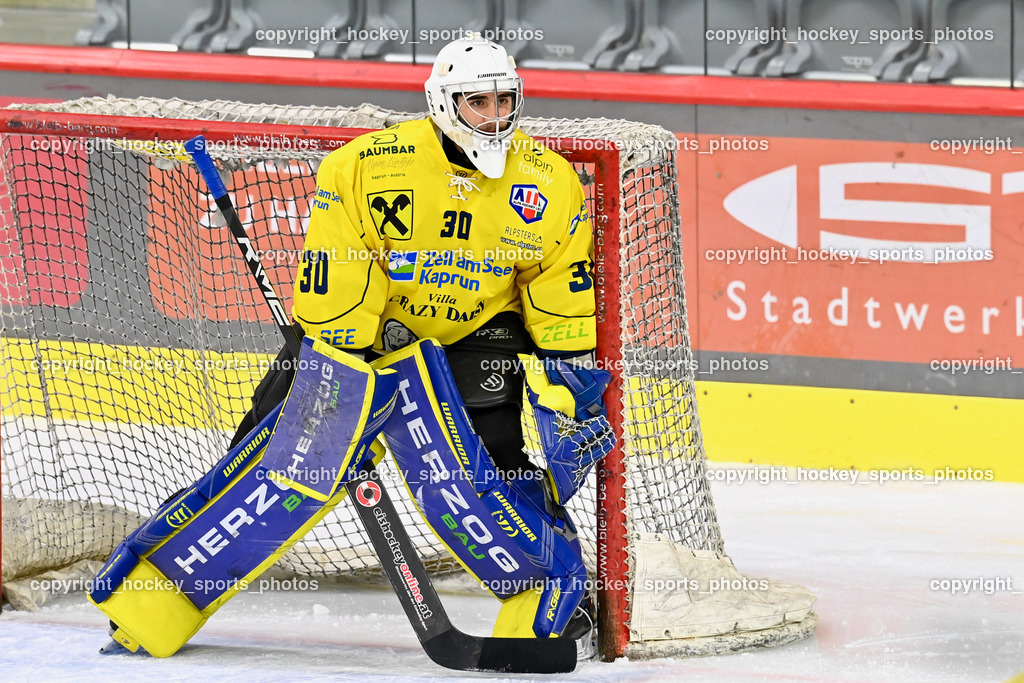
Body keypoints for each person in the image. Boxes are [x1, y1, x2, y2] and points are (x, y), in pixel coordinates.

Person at [230, 34, 612, 643]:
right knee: (270, 448)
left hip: (477, 332)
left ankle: (561, 590)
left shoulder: (549, 181)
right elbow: (342, 260)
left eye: (503, 101)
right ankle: (181, 562)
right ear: (441, 101)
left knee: (497, 467)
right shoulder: (366, 165)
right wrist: (342, 361)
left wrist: (565, 371)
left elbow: (556, 279)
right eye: (476, 103)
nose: (494, 117)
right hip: (366, 328)